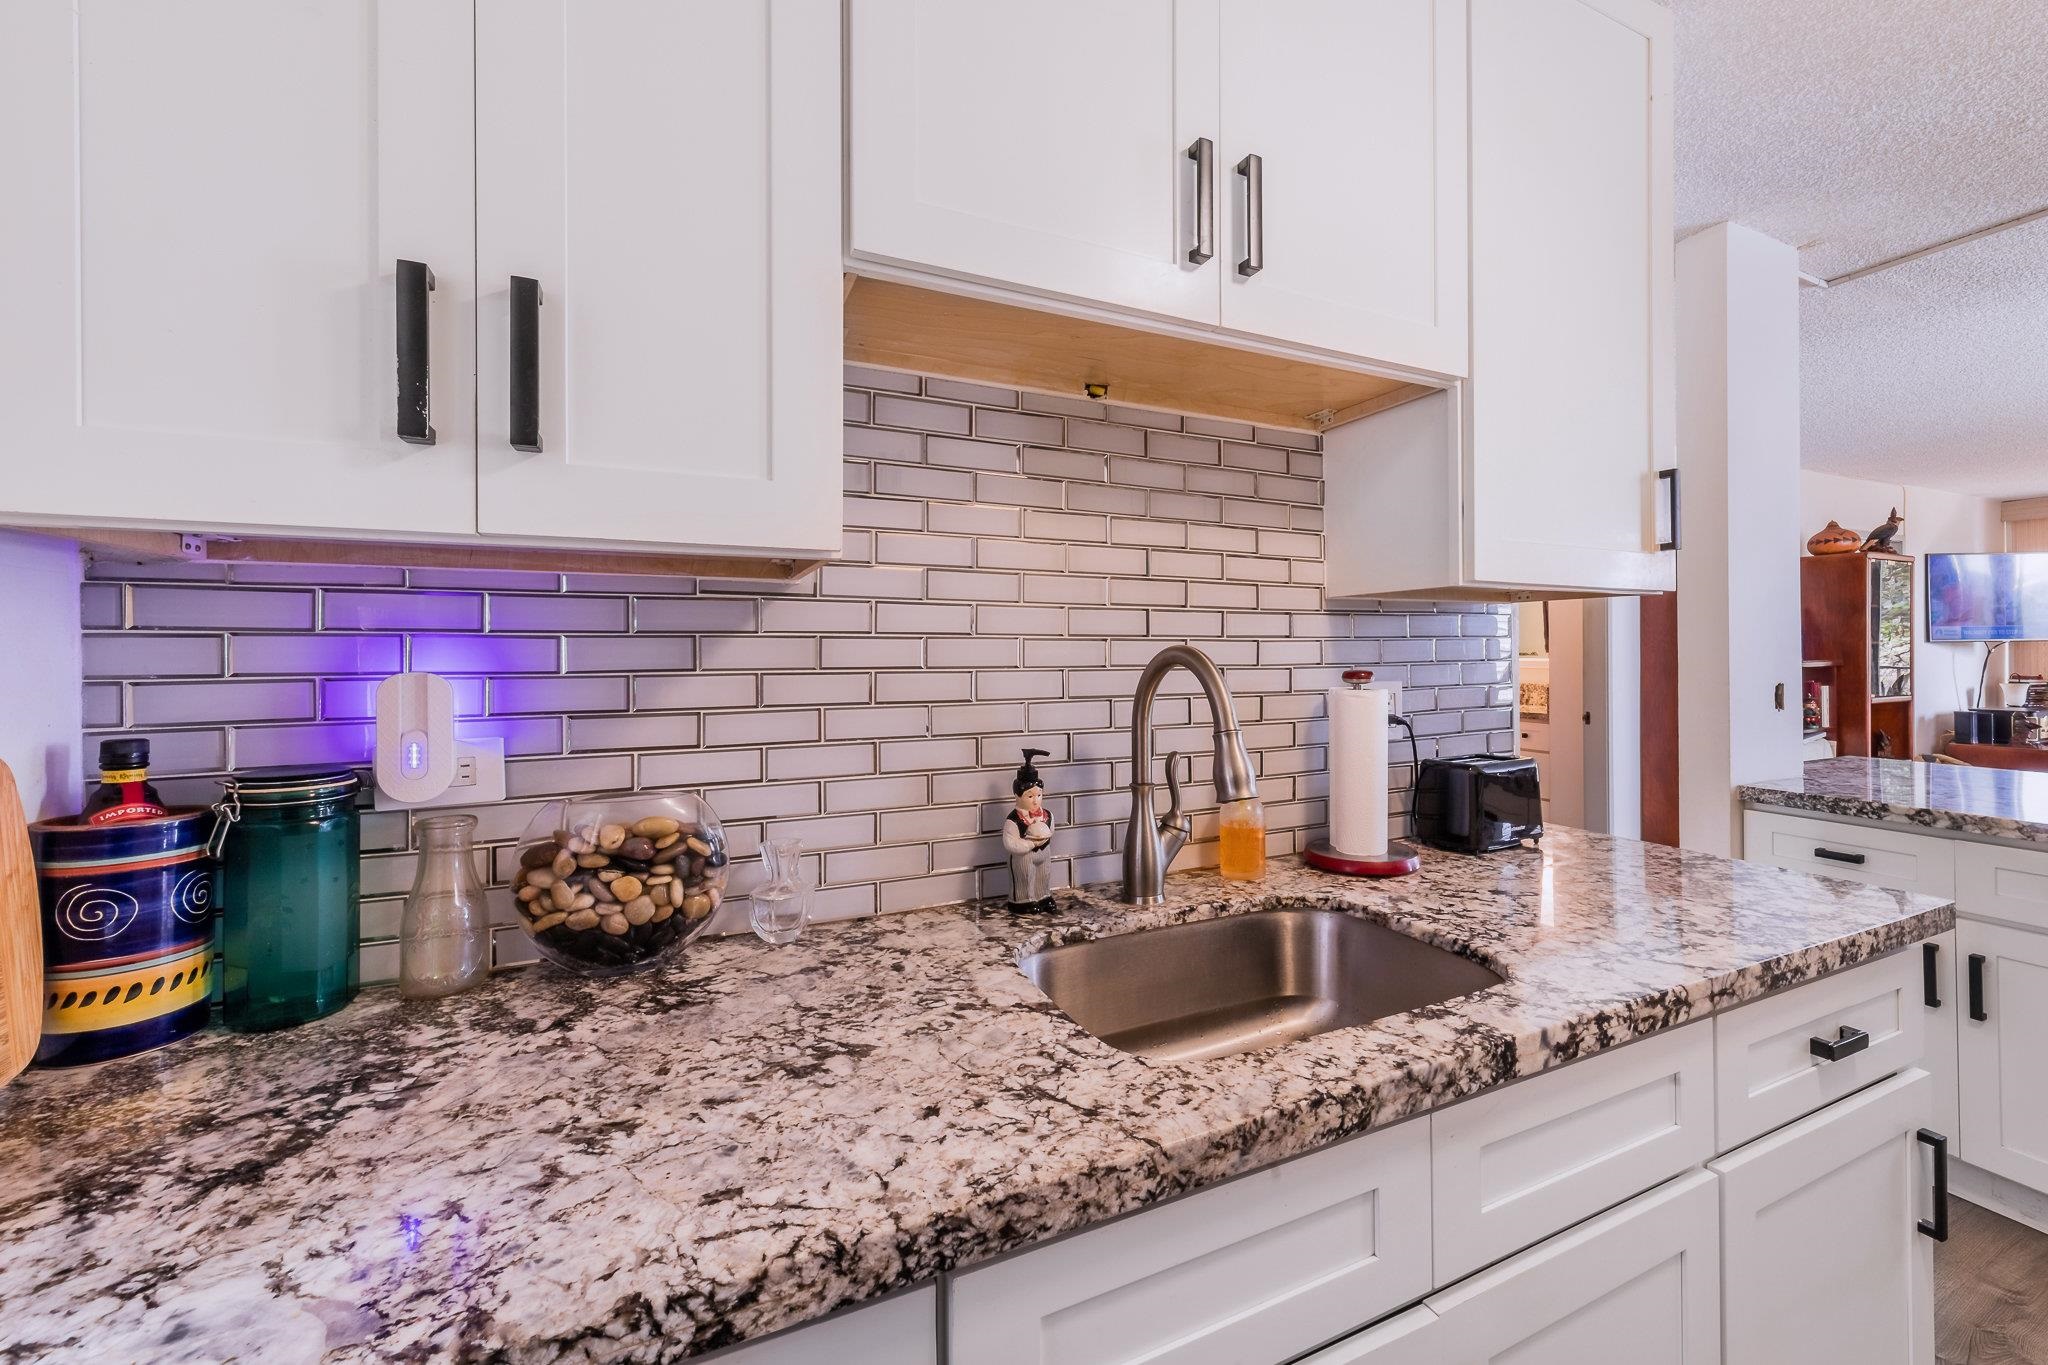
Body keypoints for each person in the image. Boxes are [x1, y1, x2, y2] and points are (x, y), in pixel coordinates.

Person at [1003, 748, 1057, 914]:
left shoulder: (1046, 814)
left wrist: (1045, 836)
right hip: (1024, 856)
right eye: (1030, 796)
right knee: (1025, 877)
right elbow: (1009, 842)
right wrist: (1026, 844)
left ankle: (1043, 896)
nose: (1036, 800)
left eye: (1039, 795)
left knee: (1044, 875)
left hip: (1044, 852)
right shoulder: (1014, 820)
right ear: (1017, 796)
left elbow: (1051, 828)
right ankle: (1023, 901)